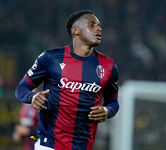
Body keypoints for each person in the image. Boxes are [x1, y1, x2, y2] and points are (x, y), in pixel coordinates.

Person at [15, 10, 119, 150]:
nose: (99, 28)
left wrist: (107, 111)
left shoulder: (108, 66)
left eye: (99, 25)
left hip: (83, 146)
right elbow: (21, 88)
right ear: (76, 30)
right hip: (49, 144)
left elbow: (113, 102)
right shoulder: (50, 58)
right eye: (92, 25)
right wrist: (32, 97)